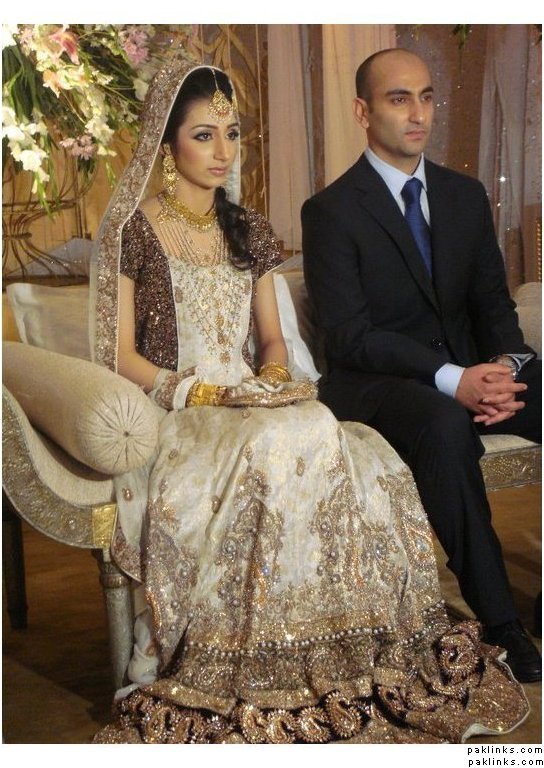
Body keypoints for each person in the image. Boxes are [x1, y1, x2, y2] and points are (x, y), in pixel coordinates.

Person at [91, 55, 529, 745]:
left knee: (317, 430)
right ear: (165, 145)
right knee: (297, 438)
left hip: (255, 394)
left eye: (231, 134)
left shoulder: (247, 228)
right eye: (203, 135)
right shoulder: (134, 233)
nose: (222, 151)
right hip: (187, 401)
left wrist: (269, 377)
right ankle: (270, 651)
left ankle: (337, 639)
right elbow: (118, 354)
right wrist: (200, 390)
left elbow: (272, 337)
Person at [301, 47, 541, 685]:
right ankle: (502, 624)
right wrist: (453, 381)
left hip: (471, 372)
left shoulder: (464, 196)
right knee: (442, 423)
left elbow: (493, 306)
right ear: (363, 112)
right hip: (380, 384)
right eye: (399, 98)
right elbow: (350, 336)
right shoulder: (330, 211)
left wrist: (504, 369)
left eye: (427, 97)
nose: (419, 114)